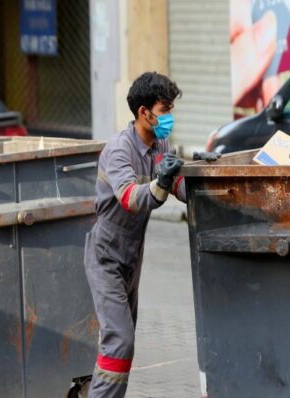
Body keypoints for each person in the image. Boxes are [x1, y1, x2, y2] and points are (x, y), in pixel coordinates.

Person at [83, 71, 186, 398]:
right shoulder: (119, 150)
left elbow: (177, 185)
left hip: (131, 256)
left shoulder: (160, 143)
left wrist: (203, 190)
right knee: (120, 342)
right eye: (164, 108)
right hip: (105, 257)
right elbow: (130, 199)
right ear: (144, 112)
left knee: (121, 345)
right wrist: (162, 183)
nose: (169, 116)